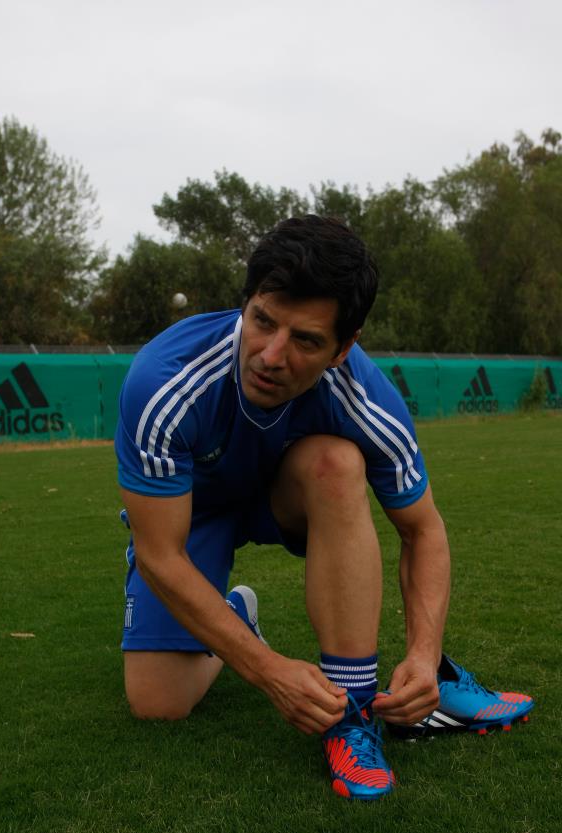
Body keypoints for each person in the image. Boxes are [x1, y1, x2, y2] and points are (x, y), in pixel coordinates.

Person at [114, 215, 534, 801]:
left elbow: (423, 531)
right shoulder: (163, 381)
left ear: (344, 347)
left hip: (291, 495)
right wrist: (266, 669)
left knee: (337, 462)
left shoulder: (367, 399)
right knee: (158, 702)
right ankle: (237, 616)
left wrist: (423, 654)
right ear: (246, 304)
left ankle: (353, 714)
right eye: (263, 321)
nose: (271, 355)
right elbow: (160, 554)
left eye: (306, 341)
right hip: (196, 512)